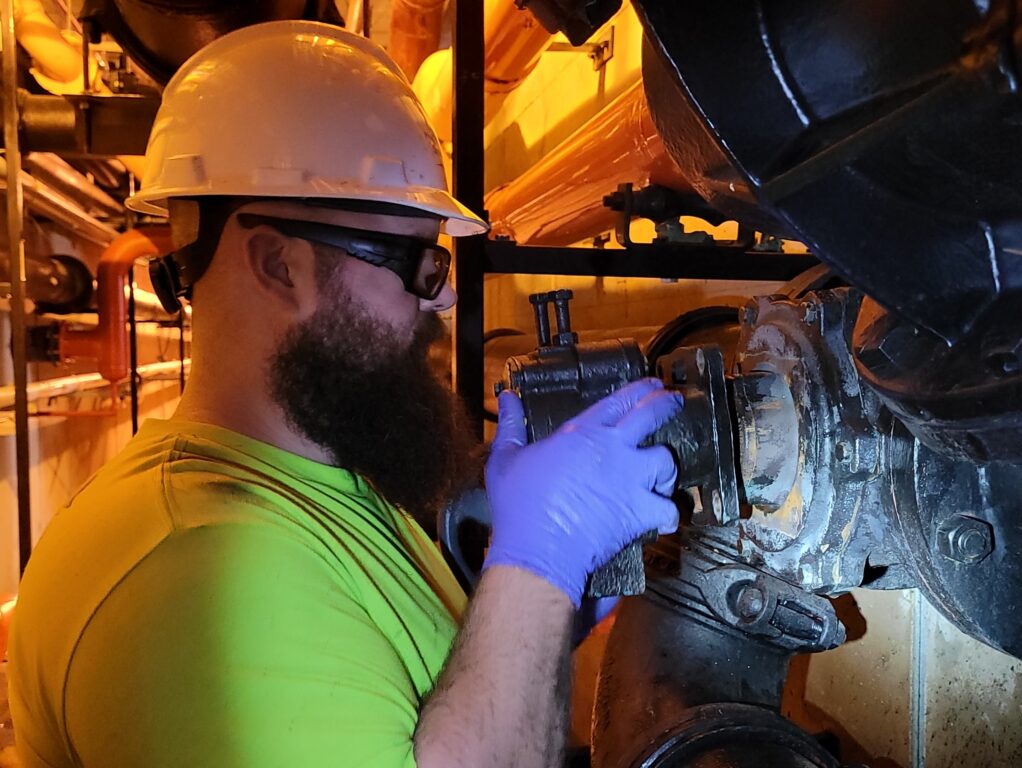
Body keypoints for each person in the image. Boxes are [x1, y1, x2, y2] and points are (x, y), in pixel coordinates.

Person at [8, 20, 682, 768]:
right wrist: (541, 559)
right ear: (277, 265)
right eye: (417, 264)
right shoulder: (193, 575)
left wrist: (536, 616)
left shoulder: (317, 480)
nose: (444, 297)